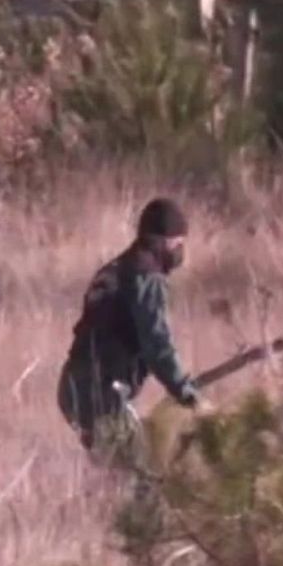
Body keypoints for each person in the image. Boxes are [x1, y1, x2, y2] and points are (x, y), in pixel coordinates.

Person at [57, 198, 203, 464]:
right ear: (163, 241)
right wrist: (184, 391)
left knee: (115, 474)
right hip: (102, 395)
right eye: (178, 243)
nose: (180, 251)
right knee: (145, 478)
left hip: (72, 387)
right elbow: (156, 344)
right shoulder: (145, 277)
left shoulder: (114, 269)